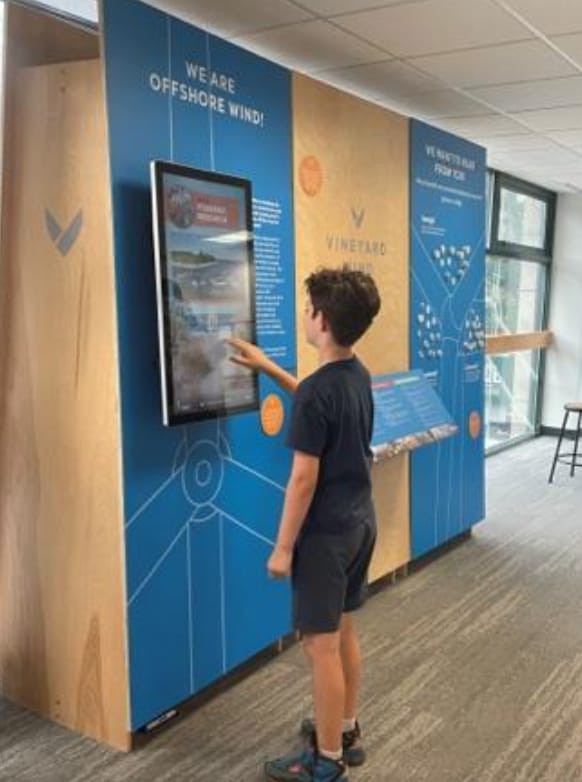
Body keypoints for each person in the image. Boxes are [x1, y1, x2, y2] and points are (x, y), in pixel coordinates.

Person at [230, 266, 381, 782]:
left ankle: (327, 759)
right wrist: (270, 367)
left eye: (308, 306)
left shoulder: (320, 391)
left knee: (319, 647)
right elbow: (318, 402)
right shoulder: (355, 374)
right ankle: (346, 728)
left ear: (320, 319)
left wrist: (281, 548)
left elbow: (301, 481)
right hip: (360, 523)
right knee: (341, 631)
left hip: (326, 537)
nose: (304, 312)